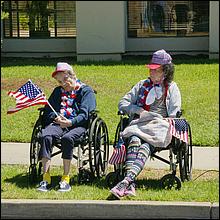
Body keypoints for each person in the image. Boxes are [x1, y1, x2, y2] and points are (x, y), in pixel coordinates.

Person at [110, 49, 181, 199]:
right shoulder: (142, 85)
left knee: (146, 146)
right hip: (140, 123)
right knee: (135, 140)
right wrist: (138, 110)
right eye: (151, 69)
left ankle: (127, 181)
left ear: (165, 71)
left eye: (156, 70)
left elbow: (174, 113)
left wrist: (167, 120)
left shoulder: (172, 88)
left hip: (159, 125)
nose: (151, 72)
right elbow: (122, 103)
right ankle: (130, 183)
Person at [37, 62, 96, 192]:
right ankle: (45, 177)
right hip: (59, 123)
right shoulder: (58, 92)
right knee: (46, 136)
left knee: (68, 138)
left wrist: (71, 122)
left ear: (72, 75)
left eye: (65, 79)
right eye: (59, 81)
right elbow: (48, 110)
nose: (63, 84)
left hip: (78, 126)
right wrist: (55, 117)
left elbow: (85, 114)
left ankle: (65, 178)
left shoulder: (86, 91)